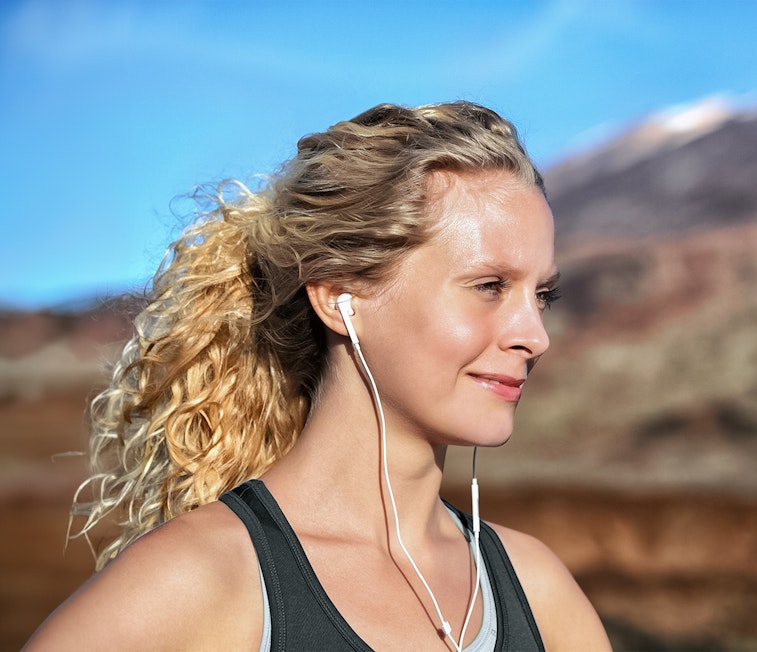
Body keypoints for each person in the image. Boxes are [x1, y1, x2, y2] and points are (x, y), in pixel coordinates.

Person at [25, 101, 611, 651]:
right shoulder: (204, 579)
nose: (535, 336)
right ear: (339, 296)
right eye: (489, 287)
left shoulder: (538, 594)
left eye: (543, 295)